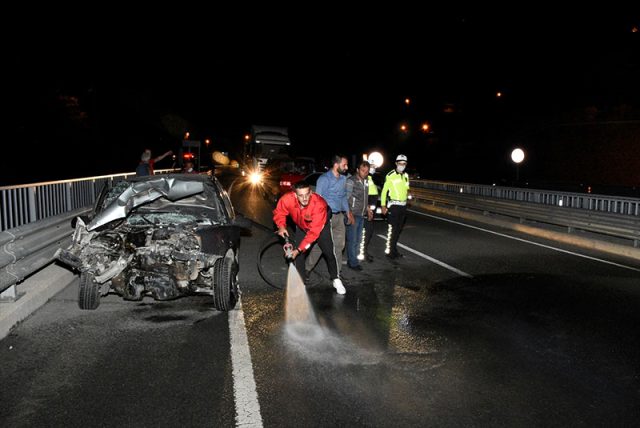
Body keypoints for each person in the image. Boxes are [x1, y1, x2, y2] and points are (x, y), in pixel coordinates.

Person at [273, 181, 346, 294]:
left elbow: (313, 234)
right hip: (301, 226)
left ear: (311, 192)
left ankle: (336, 279)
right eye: (301, 195)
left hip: (320, 227)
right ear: (295, 195)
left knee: (329, 252)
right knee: (299, 257)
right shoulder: (287, 199)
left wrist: (299, 249)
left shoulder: (319, 204)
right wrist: (281, 226)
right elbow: (279, 213)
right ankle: (300, 283)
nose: (305, 198)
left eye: (307, 194)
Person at [304, 155, 353, 278]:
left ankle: (336, 273)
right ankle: (306, 269)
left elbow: (342, 197)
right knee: (321, 246)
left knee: (339, 246)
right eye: (344, 165)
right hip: (326, 217)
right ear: (336, 165)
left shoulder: (343, 179)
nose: (346, 167)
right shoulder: (324, 179)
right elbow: (317, 199)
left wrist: (348, 212)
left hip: (339, 217)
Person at [381, 154, 410, 259]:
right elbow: (384, 191)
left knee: (398, 230)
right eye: (400, 163)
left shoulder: (406, 176)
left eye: (404, 164)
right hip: (394, 206)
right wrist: (383, 205)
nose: (402, 165)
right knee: (393, 229)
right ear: (396, 164)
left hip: (403, 206)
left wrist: (408, 197)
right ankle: (390, 251)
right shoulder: (390, 175)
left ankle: (393, 249)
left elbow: (406, 189)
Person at [345, 160, 371, 271]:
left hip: (361, 214)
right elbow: (345, 198)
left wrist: (368, 210)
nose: (365, 173)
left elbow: (365, 198)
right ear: (357, 170)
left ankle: (352, 260)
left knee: (358, 240)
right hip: (353, 214)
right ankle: (353, 263)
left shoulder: (366, 181)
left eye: (367, 171)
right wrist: (349, 213)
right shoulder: (351, 181)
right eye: (363, 170)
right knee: (352, 240)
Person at [362, 163, 379, 262]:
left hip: (371, 210)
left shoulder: (371, 179)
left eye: (374, 167)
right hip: (366, 210)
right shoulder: (364, 178)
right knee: (366, 232)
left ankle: (364, 251)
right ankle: (362, 253)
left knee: (369, 231)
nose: (373, 169)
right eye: (371, 167)